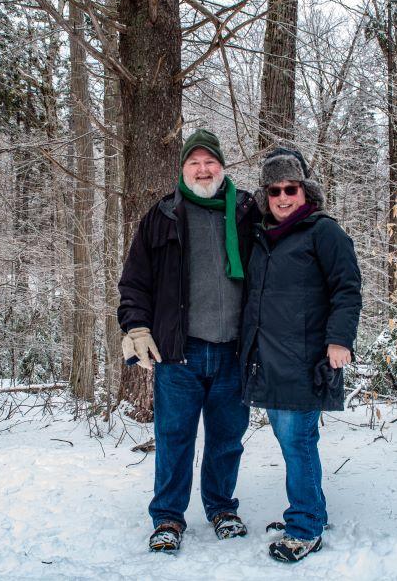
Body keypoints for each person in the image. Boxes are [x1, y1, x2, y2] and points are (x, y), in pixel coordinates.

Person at [118, 129, 260, 552]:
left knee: (226, 438)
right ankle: (167, 518)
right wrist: (136, 326)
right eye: (194, 163)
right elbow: (135, 280)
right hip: (179, 353)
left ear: (222, 166)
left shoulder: (247, 213)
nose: (203, 170)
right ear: (183, 168)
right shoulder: (162, 216)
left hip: (234, 352)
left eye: (210, 162)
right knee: (174, 438)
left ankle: (221, 508)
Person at [240, 147, 362, 563]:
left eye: (290, 188)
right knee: (291, 439)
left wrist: (340, 341)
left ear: (304, 190)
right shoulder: (261, 235)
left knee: (298, 442)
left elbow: (347, 289)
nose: (283, 197)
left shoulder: (323, 232)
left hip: (306, 358)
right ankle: (309, 510)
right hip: (269, 359)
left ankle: (306, 525)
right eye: (274, 190)